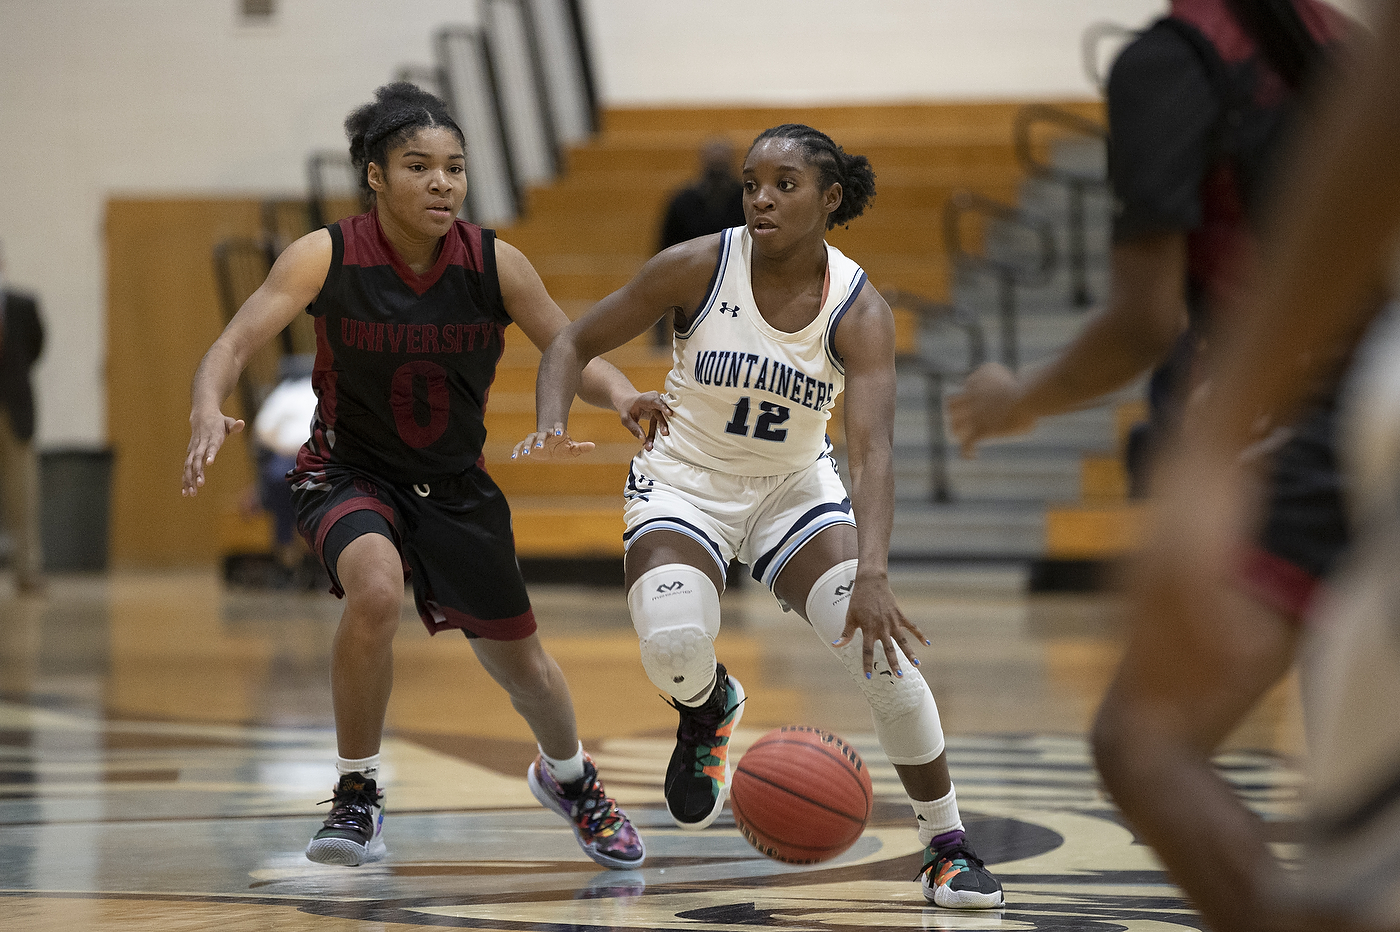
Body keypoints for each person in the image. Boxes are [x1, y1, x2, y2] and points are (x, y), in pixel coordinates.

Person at [517, 123, 1005, 910]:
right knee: (675, 641)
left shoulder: (858, 307)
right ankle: (708, 704)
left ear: (831, 197)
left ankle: (948, 848)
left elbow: (874, 451)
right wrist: (549, 419)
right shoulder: (698, 264)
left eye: (784, 184)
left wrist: (874, 572)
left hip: (792, 491)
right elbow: (570, 341)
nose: (761, 198)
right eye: (751, 183)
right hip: (684, 482)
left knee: (883, 660)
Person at [182, 82, 667, 870]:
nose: (442, 182)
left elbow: (568, 347)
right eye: (419, 166)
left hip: (454, 487)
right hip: (347, 472)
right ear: (375, 175)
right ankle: (356, 796)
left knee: (526, 670)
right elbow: (232, 344)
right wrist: (208, 404)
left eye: (454, 167)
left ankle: (571, 778)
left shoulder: (492, 263)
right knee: (374, 588)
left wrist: (623, 395)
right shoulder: (324, 255)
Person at [1099, 0, 1400, 924]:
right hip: (1344, 401)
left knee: (1145, 740)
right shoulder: (1326, 40)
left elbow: (1144, 319)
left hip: (1330, 401)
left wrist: (1215, 440)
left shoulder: (1176, 57)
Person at [650, 137, 747, 348]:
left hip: (738, 276)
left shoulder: (747, 200)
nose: (717, 172)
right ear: (702, 164)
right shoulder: (682, 202)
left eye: (721, 166)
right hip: (689, 276)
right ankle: (661, 348)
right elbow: (663, 250)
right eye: (713, 167)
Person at [0, 242, 45, 595]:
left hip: (15, 410)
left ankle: (27, 571)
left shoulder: (22, 305)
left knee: (22, 495)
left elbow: (35, 347)